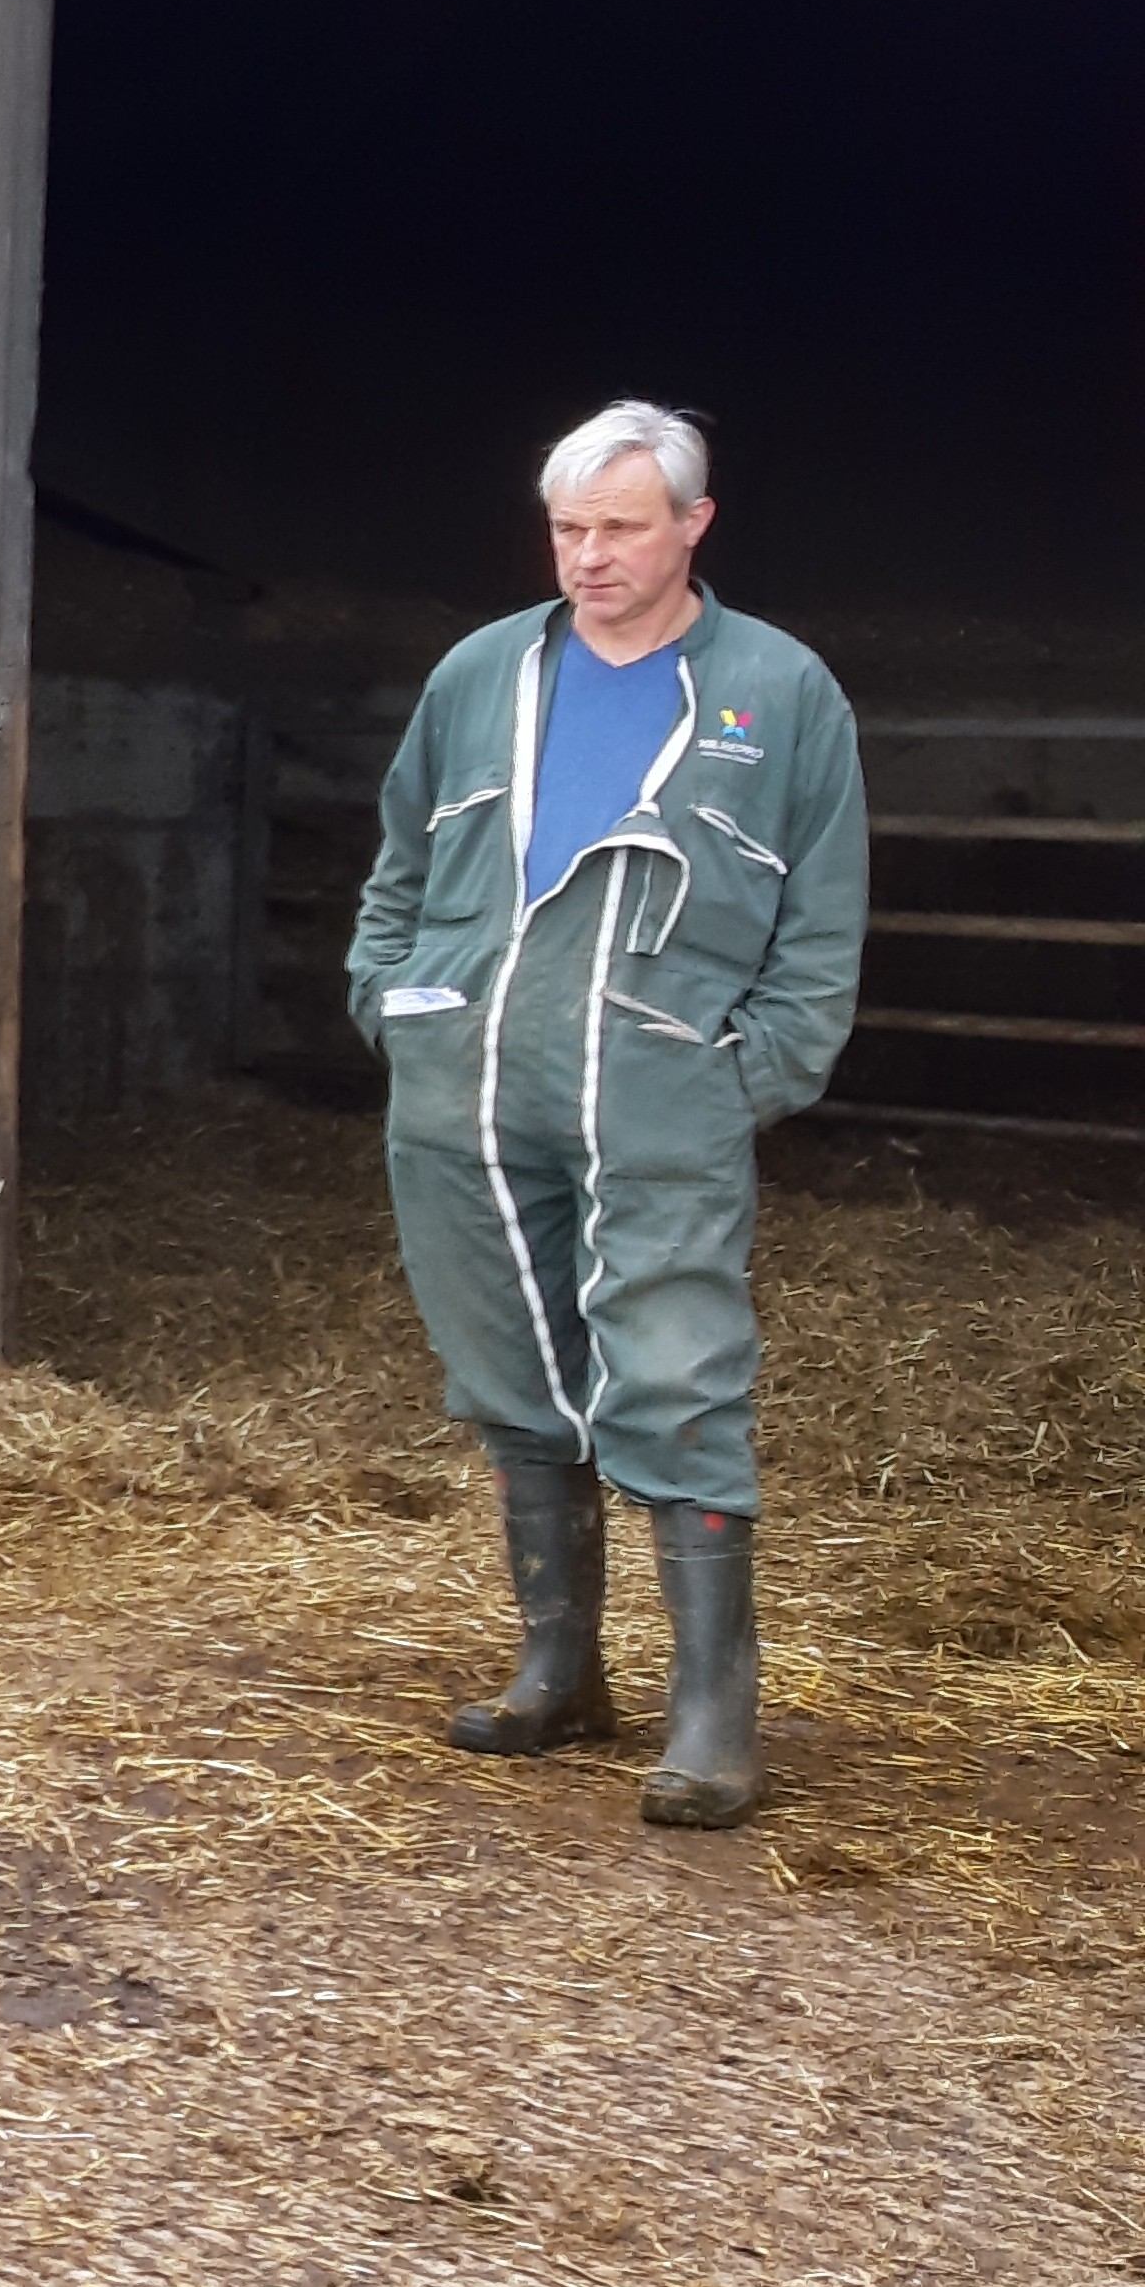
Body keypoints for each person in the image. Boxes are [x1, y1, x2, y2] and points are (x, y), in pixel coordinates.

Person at [344, 402, 866, 1828]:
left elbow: (821, 924)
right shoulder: (481, 674)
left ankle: (713, 1718)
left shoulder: (778, 690)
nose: (589, 557)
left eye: (621, 528)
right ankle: (561, 1670)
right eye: (569, 529)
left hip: (657, 1093)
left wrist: (749, 1075)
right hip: (468, 1087)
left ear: (694, 525)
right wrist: (385, 999)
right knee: (510, 1366)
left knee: (678, 1371)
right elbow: (399, 859)